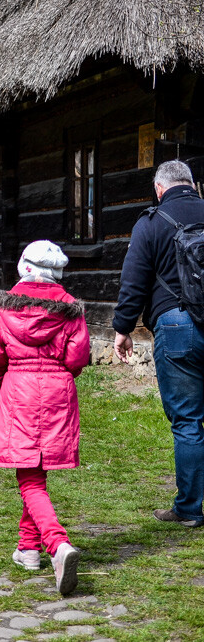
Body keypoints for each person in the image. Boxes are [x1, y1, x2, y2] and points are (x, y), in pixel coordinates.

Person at [0, 240, 89, 596]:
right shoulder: (71, 310)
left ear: (25, 268)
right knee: (35, 472)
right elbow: (77, 358)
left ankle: (56, 545)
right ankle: (28, 549)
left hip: (19, 390)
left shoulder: (4, 308)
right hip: (57, 392)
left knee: (29, 478)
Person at [114, 159, 204, 528]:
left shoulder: (150, 223)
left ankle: (188, 509)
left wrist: (123, 329)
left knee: (187, 420)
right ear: (192, 184)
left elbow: (134, 281)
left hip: (176, 324)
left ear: (159, 189)